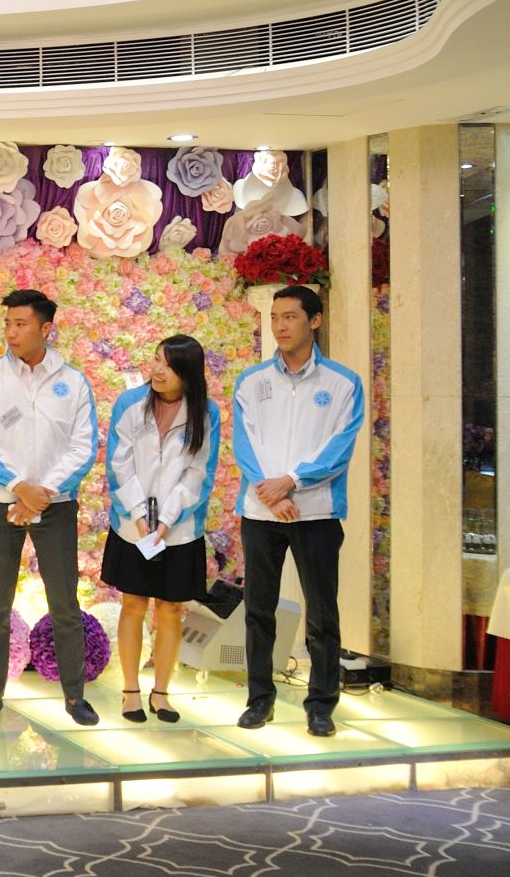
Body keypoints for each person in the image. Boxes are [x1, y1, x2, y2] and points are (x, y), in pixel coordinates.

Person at [232, 284, 365, 737]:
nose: (280, 326)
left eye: (290, 316)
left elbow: (339, 449)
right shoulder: (252, 381)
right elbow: (245, 444)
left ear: (315, 320)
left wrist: (291, 481)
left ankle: (321, 706)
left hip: (317, 513)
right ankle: (259, 700)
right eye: (274, 317)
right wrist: (272, 492)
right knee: (258, 610)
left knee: (322, 613)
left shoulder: (343, 383)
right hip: (261, 513)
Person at [0, 289, 101, 726]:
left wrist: (44, 491)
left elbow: (83, 446)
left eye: (21, 324)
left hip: (55, 505)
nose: (11, 332)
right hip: (1, 502)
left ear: (46, 329)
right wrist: (20, 488)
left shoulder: (73, 381)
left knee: (64, 603)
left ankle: (75, 697)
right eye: (8, 323)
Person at [103, 335, 221, 724]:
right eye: (156, 360)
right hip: (132, 526)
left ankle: (162, 693)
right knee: (133, 604)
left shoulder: (206, 412)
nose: (157, 370)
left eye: (168, 366)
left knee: (171, 609)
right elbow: (119, 465)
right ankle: (130, 692)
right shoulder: (129, 404)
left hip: (180, 528)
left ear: (187, 374)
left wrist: (167, 520)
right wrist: (140, 517)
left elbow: (199, 472)